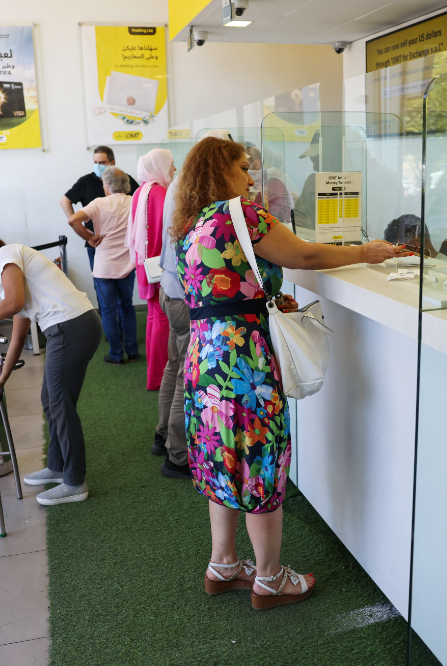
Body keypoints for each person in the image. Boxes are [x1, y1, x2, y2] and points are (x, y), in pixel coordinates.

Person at [173, 137, 406, 609]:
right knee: (259, 461)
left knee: (224, 458)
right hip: (245, 360)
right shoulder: (245, 216)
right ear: (221, 172)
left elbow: (226, 287)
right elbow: (306, 256)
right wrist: (367, 252)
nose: (251, 177)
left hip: (205, 359)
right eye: (242, 167)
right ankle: (270, 578)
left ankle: (223, 564)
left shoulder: (190, 226)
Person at [0, 221, 101, 506]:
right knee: (50, 399)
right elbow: (17, 336)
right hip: (72, 326)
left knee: (60, 404)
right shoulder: (11, 274)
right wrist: (1, 378)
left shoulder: (7, 254)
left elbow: (13, 303)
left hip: (69, 327)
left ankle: (74, 482)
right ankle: (58, 466)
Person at [152, 130, 232, 478]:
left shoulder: (179, 184)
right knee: (187, 372)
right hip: (188, 295)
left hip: (171, 287)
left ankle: (162, 437)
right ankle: (178, 454)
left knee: (175, 365)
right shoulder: (202, 190)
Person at [67, 166, 138, 366]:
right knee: (127, 308)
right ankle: (132, 351)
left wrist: (89, 237)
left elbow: (73, 219)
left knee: (108, 311)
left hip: (104, 266)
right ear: (127, 185)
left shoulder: (99, 203)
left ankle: (116, 354)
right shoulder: (134, 202)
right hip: (128, 264)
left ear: (106, 186)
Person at [127, 148, 175, 391]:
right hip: (159, 265)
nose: (175, 170)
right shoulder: (161, 193)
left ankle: (154, 375)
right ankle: (161, 376)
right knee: (163, 319)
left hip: (145, 264)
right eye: (171, 165)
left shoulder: (140, 191)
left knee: (154, 317)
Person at [60, 146, 140, 270]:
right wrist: (82, 230)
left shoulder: (124, 179)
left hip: (123, 244)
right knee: (102, 285)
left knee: (125, 287)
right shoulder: (85, 182)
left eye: (102, 163)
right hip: (97, 243)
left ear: (112, 163)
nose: (98, 166)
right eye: (95, 162)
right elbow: (65, 201)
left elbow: (141, 203)